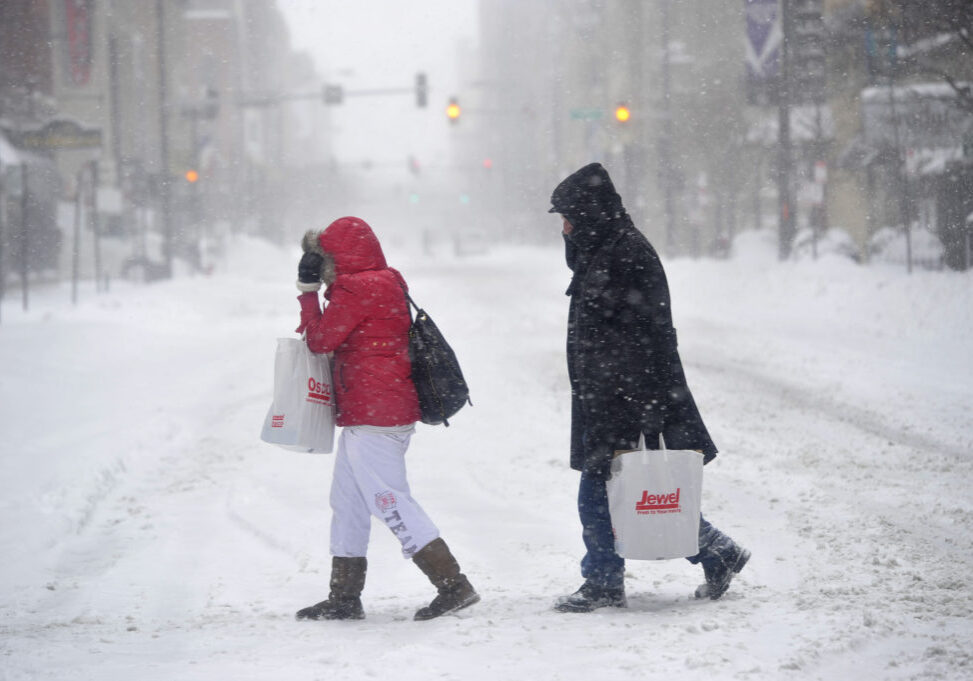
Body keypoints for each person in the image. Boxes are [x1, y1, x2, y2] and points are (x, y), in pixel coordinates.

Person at [547, 163, 750, 613]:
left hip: (624, 397)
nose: (564, 227)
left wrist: (649, 407)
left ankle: (602, 581)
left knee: (602, 492)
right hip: (604, 396)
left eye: (568, 217)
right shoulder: (601, 250)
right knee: (630, 490)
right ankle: (716, 551)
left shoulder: (627, 252)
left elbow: (652, 336)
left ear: (590, 212)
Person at [292, 216, 479, 621]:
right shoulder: (385, 279)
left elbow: (320, 339)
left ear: (334, 258)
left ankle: (453, 585)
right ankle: (343, 596)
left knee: (388, 500)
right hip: (375, 408)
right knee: (348, 502)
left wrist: (309, 294)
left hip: (375, 411)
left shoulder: (356, 288)